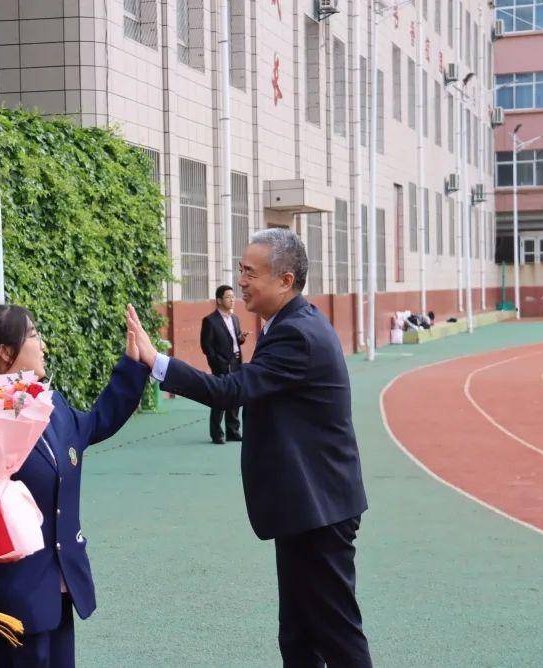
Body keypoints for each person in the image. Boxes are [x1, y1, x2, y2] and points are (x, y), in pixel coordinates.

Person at [126, 228, 372, 667]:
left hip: (320, 508)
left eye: (250, 272)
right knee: (298, 634)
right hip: (306, 505)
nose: (241, 282)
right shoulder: (290, 323)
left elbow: (230, 390)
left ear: (285, 280)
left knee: (335, 633)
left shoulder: (297, 333)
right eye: (240, 270)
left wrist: (154, 361)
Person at [0, 305, 149, 668]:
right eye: (35, 335)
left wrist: (132, 366)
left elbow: (93, 424)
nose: (44, 345)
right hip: (13, 594)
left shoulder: (47, 402)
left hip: (59, 584)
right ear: (5, 353)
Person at [199, 285, 249, 444]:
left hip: (236, 362)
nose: (232, 299)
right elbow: (206, 346)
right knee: (220, 398)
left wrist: (241, 338)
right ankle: (217, 434)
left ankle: (233, 431)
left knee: (236, 396)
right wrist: (217, 363)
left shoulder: (235, 318)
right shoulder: (210, 320)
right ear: (219, 300)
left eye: (233, 297)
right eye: (228, 297)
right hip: (221, 365)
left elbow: (235, 340)